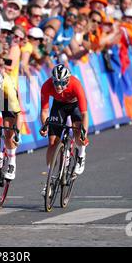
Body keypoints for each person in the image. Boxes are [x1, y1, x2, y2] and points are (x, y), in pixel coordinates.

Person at [39, 64, 89, 195]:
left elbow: (84, 114)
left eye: (62, 83)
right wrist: (44, 125)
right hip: (58, 106)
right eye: (56, 82)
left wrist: (84, 132)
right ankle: (49, 180)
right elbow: (44, 111)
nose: (59, 86)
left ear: (67, 80)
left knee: (79, 131)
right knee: (52, 142)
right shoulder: (46, 86)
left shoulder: (76, 85)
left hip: (75, 105)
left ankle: (81, 155)